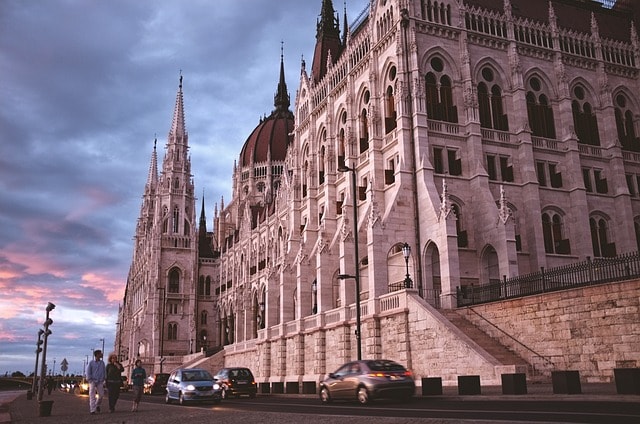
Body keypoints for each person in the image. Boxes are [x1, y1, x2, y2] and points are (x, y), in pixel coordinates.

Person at [85, 349, 106, 414]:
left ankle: (97, 405)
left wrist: (104, 378)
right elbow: (88, 371)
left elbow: (104, 371)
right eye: (100, 353)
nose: (102, 354)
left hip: (100, 381)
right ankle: (92, 410)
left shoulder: (102, 363)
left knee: (101, 395)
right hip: (93, 381)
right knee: (92, 395)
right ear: (97, 355)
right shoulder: (91, 363)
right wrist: (89, 379)